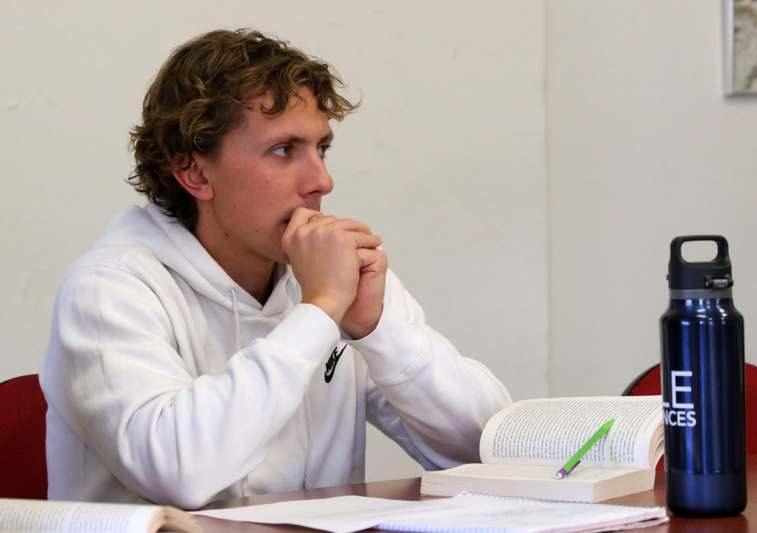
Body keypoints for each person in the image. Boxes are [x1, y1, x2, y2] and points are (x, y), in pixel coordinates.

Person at [39, 28, 511, 510]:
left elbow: (489, 451)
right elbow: (180, 474)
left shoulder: (336, 271)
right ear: (195, 172)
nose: (322, 181)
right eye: (284, 150)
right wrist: (320, 311)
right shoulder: (108, 289)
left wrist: (375, 329)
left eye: (321, 148)